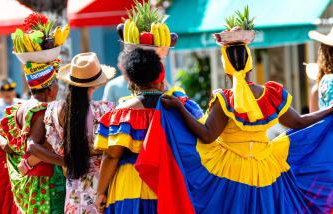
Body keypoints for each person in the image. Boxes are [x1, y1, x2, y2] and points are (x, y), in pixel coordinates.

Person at [154, 42, 333, 213]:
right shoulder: (270, 94)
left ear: (226, 68)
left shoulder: (224, 99)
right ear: (250, 65)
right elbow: (300, 122)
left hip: (231, 170)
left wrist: (180, 109)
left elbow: (208, 136)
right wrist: (330, 110)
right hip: (267, 169)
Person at [19, 52, 115, 213]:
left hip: (74, 187)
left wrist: (68, 161)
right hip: (103, 186)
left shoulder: (53, 111)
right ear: (97, 84)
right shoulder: (106, 110)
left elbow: (43, 146)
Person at [94, 48, 166, 213]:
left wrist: (100, 193)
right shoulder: (178, 106)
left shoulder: (123, 112)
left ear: (131, 80)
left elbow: (112, 155)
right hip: (167, 182)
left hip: (130, 186)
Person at [0, 61, 66, 213]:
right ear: (49, 89)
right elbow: (32, 146)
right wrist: (64, 161)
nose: (58, 88)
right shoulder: (42, 110)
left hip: (29, 183)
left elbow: (9, 146)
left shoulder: (21, 107)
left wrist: (25, 164)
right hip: (45, 184)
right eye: (56, 84)